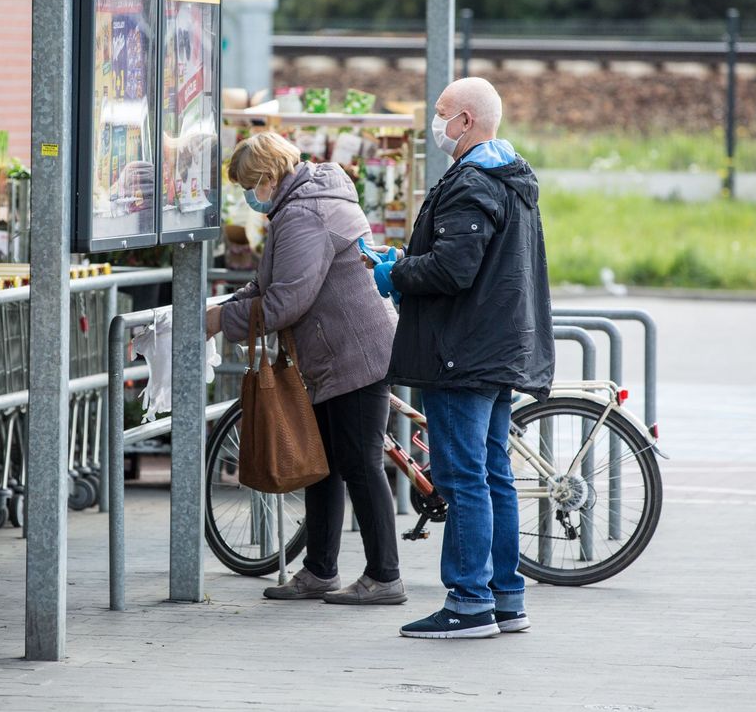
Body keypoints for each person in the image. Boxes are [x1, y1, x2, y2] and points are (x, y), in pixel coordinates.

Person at [365, 77, 554, 639]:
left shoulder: (472, 183)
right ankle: (506, 598)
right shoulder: (513, 179)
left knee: (464, 476)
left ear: (466, 121)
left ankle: (469, 601)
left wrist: (394, 270)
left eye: (442, 113)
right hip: (496, 349)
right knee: (493, 474)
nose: (435, 122)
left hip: (461, 354)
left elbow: (454, 269)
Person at [206, 131, 405, 606]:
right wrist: (226, 308)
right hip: (335, 352)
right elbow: (269, 285)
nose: (249, 197)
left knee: (358, 464)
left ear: (270, 176)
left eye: (250, 186)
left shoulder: (302, 214)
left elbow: (286, 301)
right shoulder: (309, 198)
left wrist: (219, 320)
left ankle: (385, 577)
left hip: (352, 353)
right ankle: (320, 570)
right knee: (323, 466)